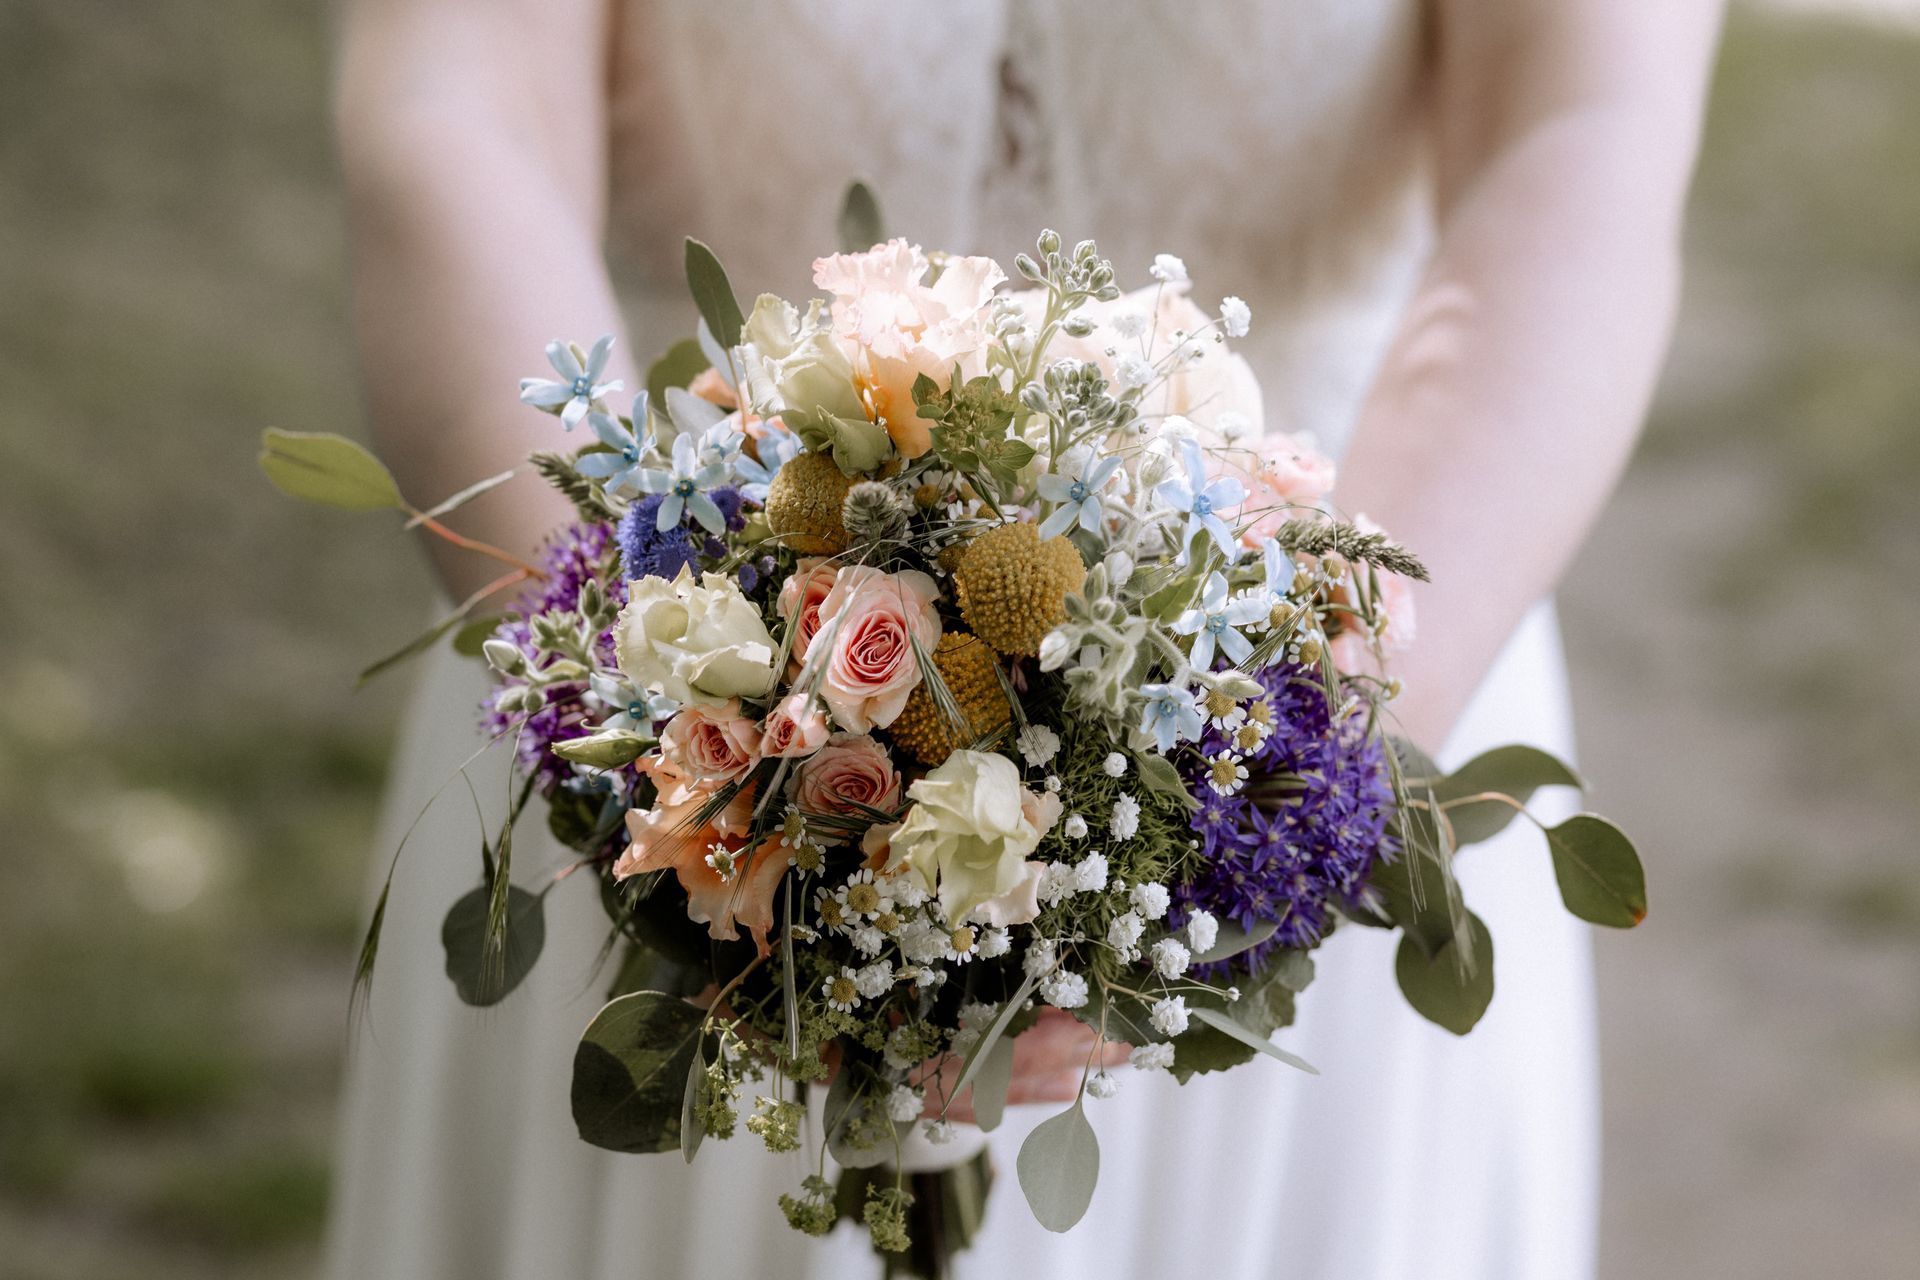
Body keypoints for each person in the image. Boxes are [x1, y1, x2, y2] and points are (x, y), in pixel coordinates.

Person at [324, 3, 1722, 1277]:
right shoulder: (655, 707)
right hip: (685, 730)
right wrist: (637, 691)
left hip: (1312, 701)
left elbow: (1581, 140)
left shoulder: (1312, 737)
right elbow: (458, 111)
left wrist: (1312, 750)